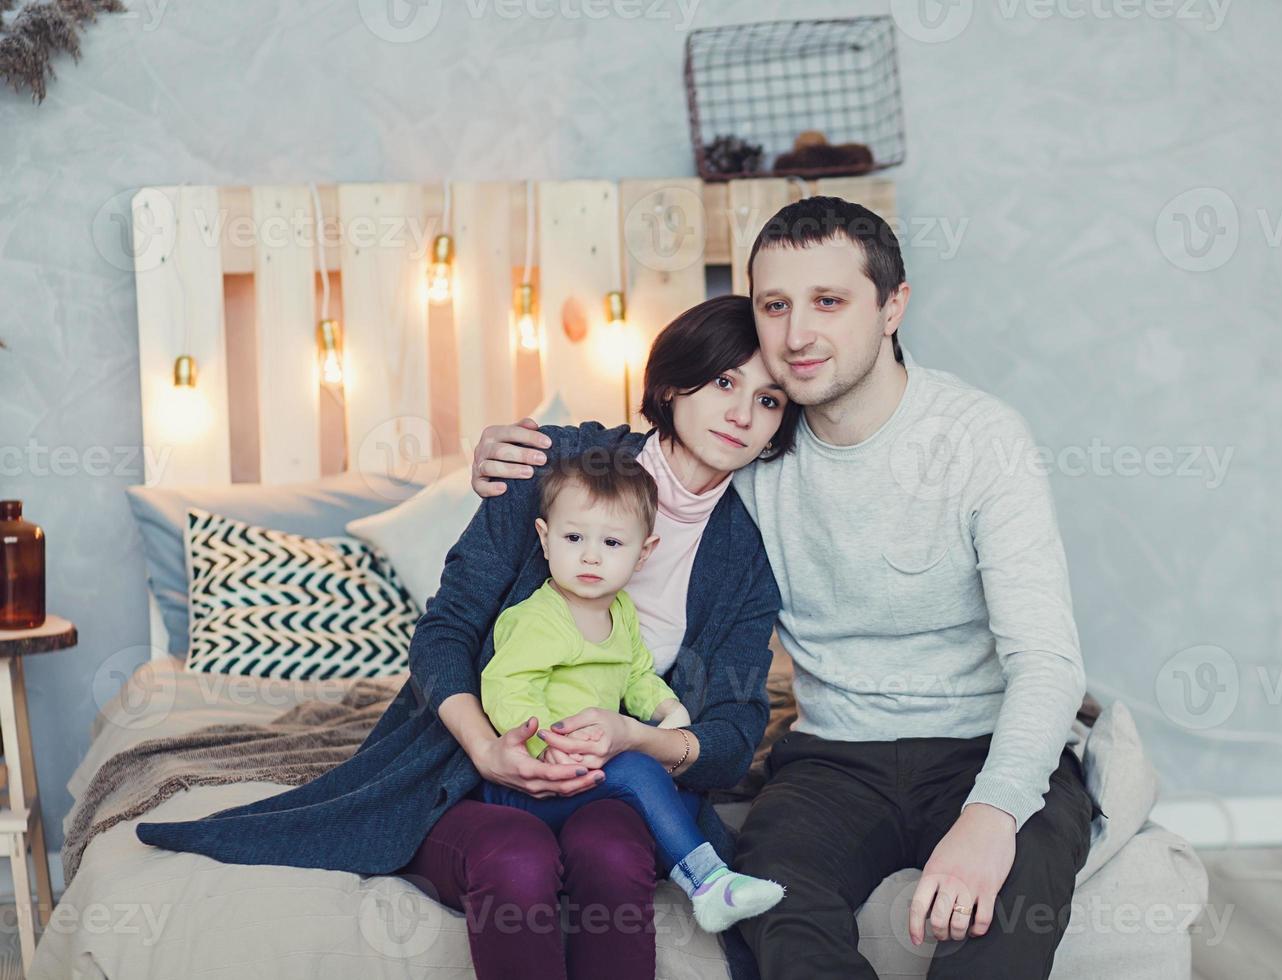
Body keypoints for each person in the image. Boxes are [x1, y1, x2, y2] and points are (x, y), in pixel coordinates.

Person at [470, 195, 1102, 980]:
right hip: (833, 760)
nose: (797, 335)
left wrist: (993, 814)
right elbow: (635, 461)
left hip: (982, 742)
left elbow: (1047, 661)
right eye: (775, 305)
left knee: (1001, 926)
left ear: (893, 306)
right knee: (779, 913)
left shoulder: (980, 440)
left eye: (829, 302)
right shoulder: (756, 449)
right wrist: (522, 450)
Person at [137, 293, 799, 980]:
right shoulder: (556, 464)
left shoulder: (748, 551)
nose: (742, 413)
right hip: (475, 769)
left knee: (614, 855)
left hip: (618, 782)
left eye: (771, 400)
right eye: (725, 381)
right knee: (517, 858)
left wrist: (639, 738)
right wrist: (487, 749)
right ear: (670, 382)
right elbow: (444, 634)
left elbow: (734, 730)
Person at [476, 449, 787, 932]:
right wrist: (542, 747)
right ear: (545, 538)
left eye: (613, 542)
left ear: (644, 552)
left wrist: (667, 708)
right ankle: (709, 883)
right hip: (531, 782)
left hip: (587, 771)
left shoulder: (620, 612)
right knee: (641, 771)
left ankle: (706, 865)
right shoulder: (539, 618)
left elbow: (636, 673)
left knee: (681, 800)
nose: (591, 555)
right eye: (574, 537)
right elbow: (507, 688)